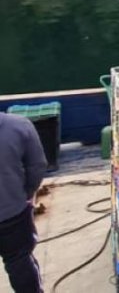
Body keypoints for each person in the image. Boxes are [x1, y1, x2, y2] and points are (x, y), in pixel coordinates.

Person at [0, 111, 47, 293]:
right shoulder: (18, 126)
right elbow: (37, 166)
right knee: (20, 262)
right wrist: (24, 194)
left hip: (13, 209)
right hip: (12, 212)